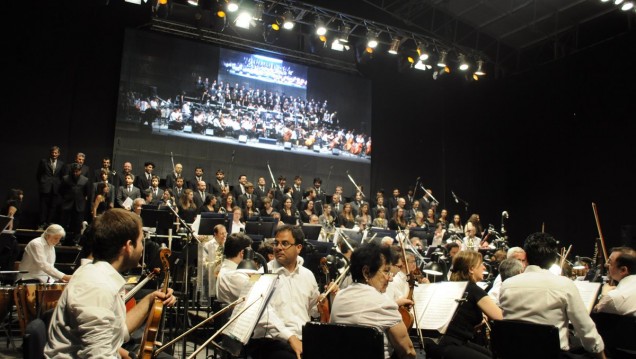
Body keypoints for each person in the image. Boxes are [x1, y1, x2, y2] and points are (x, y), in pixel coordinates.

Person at [44, 208, 177, 358]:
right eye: (141, 241)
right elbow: (99, 355)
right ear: (128, 246)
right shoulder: (96, 286)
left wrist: (150, 299)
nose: (142, 248)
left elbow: (118, 332)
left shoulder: (99, 274)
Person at [500, 232, 605, 358]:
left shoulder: (506, 285)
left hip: (513, 354)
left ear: (526, 257)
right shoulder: (564, 285)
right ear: (554, 259)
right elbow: (586, 330)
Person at [330, 242, 416, 359]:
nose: (390, 279)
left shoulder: (339, 297)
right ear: (366, 272)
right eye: (386, 271)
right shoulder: (384, 304)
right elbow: (408, 351)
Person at [248, 225, 320, 359]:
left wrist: (325, 301)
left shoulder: (308, 275)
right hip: (270, 341)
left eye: (285, 243)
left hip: (301, 339)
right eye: (276, 243)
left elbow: (314, 311)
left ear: (298, 248)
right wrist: (290, 337)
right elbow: (262, 316)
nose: (278, 247)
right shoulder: (262, 273)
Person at [436, 250, 503, 359]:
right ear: (471, 269)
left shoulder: (451, 286)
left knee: (490, 355)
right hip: (451, 344)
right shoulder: (473, 289)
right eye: (481, 264)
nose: (484, 267)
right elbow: (500, 316)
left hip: (442, 341)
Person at [593, 246, 636, 315]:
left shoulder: (613, 298)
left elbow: (596, 310)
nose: (605, 265)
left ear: (623, 270)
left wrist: (604, 293)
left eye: (610, 262)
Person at [216, 232, 253, 303]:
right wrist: (256, 276)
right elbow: (258, 292)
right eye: (250, 253)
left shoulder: (229, 270)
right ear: (242, 253)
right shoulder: (234, 275)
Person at [36, 146, 65, 229]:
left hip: (55, 188)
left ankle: (48, 223)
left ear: (59, 154)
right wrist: (43, 182)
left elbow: (62, 176)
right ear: (50, 153)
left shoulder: (61, 163)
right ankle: (42, 223)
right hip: (45, 187)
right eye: (53, 152)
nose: (54, 154)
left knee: (53, 206)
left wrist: (58, 185)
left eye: (56, 153)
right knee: (43, 206)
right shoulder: (44, 162)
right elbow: (38, 174)